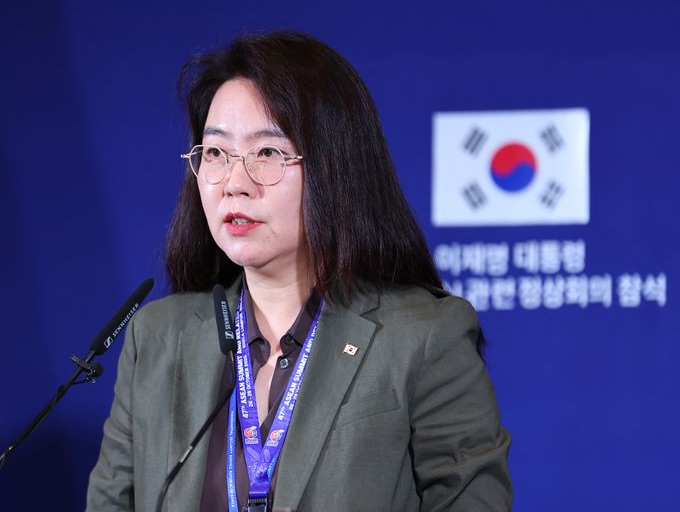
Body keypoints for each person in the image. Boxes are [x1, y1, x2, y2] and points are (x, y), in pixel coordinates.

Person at [87, 30, 512, 511]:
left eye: (267, 153)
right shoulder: (158, 338)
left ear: (335, 166)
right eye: (216, 153)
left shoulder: (422, 337)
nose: (234, 183)